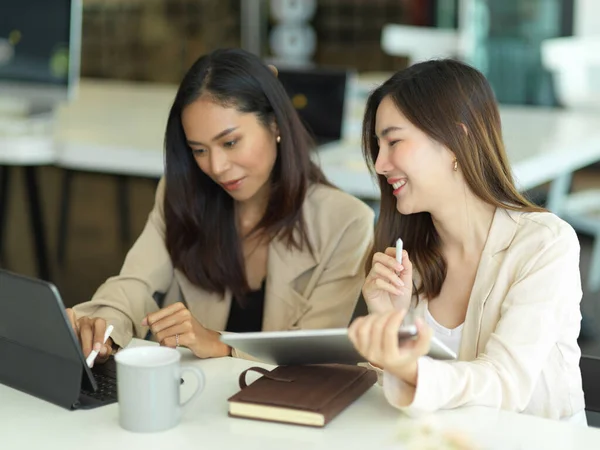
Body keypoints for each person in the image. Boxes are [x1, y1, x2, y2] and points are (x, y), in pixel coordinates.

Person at [67, 48, 374, 363]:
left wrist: (222, 346)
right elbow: (134, 284)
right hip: (190, 399)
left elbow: (310, 356)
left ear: (276, 125)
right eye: (199, 150)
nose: (216, 166)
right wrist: (103, 326)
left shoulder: (347, 223)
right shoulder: (182, 194)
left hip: (275, 407)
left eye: (230, 142)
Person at [347, 59, 586, 423]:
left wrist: (406, 364)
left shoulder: (544, 244)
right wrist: (391, 319)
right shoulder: (405, 257)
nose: (380, 164)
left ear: (456, 141)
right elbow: (400, 400)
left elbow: (505, 382)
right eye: (378, 146)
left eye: (393, 141)